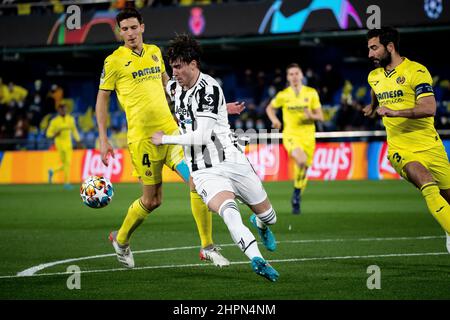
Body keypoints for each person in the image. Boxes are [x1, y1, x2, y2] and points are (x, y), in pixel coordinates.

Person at [96, 8, 244, 269]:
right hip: (143, 140)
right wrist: (103, 138)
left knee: (197, 181)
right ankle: (120, 240)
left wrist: (216, 106)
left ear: (142, 27)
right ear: (120, 32)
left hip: (171, 133)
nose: (130, 33)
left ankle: (207, 247)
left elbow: (172, 86)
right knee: (152, 201)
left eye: (133, 27)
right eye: (124, 29)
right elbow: (102, 99)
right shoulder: (113, 62)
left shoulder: (154, 52)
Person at [151, 34, 279, 282]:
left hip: (231, 160)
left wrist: (164, 139)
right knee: (229, 212)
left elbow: (200, 137)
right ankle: (257, 259)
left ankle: (261, 223)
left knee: (269, 216)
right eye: (172, 66)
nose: (174, 72)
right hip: (204, 171)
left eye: (178, 66)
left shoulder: (209, 89)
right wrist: (224, 108)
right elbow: (165, 82)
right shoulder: (175, 86)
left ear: (193, 63)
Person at [363, 27, 450, 253]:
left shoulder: (416, 71)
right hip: (401, 147)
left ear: (389, 47)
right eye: (369, 49)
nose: (370, 54)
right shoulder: (374, 76)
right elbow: (376, 90)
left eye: (374, 48)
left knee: (447, 197)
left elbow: (430, 108)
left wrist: (395, 112)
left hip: (431, 145)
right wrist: (372, 106)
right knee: (426, 183)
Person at [266, 63, 323, 214]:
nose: (294, 76)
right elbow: (269, 108)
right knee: (302, 160)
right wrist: (275, 120)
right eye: (291, 74)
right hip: (291, 135)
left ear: (302, 75)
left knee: (303, 168)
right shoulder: (283, 95)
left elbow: (321, 116)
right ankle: (297, 194)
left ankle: (296, 194)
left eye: (296, 73)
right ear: (287, 77)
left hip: (308, 136)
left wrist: (311, 116)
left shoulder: (311, 93)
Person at [46, 104, 81, 190]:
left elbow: (74, 130)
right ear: (58, 111)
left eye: (64, 109)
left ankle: (66, 183)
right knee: (65, 164)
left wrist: (78, 140)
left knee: (67, 163)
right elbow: (48, 134)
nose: (63, 111)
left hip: (68, 144)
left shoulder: (70, 119)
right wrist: (54, 134)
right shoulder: (54, 121)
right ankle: (52, 171)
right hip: (59, 144)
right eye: (61, 110)